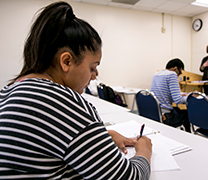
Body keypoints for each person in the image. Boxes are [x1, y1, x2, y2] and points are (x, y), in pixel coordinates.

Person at [0, 2, 152, 179]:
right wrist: (144, 151)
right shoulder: (63, 103)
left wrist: (101, 136)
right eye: (93, 67)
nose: (94, 76)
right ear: (66, 62)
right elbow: (128, 177)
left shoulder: (10, 90)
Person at [150, 58, 191, 132]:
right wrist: (190, 97)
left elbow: (164, 91)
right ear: (175, 69)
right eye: (180, 72)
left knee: (178, 109)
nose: (178, 75)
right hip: (166, 116)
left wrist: (180, 94)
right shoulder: (172, 74)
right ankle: (189, 137)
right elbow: (178, 100)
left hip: (155, 112)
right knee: (187, 113)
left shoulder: (157, 74)